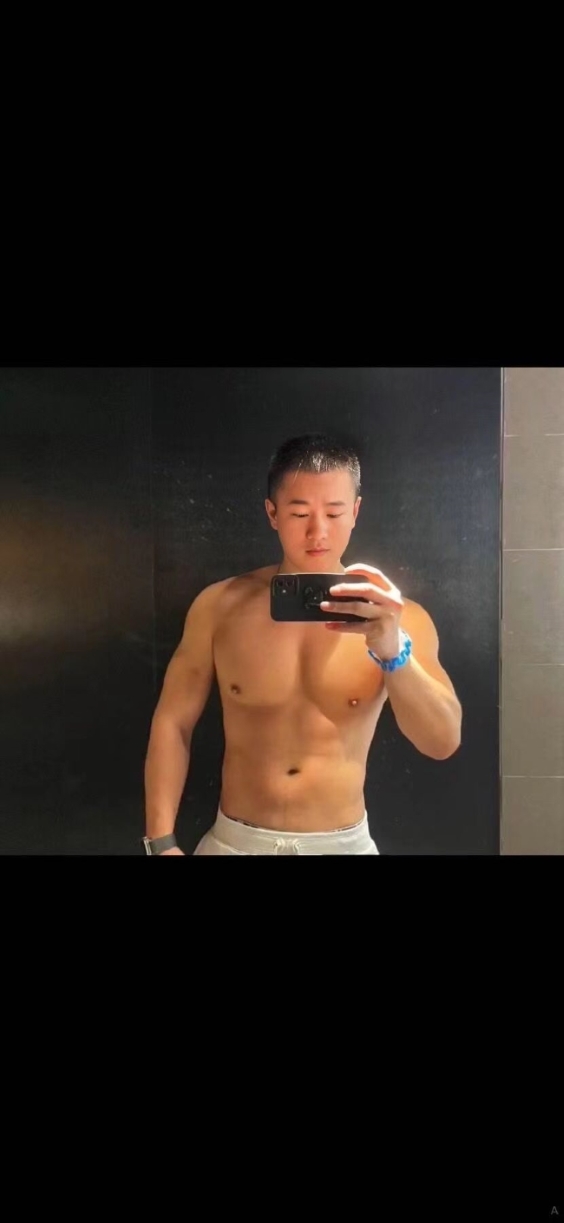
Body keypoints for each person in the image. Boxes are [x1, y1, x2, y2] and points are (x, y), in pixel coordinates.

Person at [143, 434, 462, 855]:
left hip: (342, 845)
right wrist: (161, 842)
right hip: (235, 843)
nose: (318, 532)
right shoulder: (219, 606)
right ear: (272, 513)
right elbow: (173, 721)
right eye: (299, 513)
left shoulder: (398, 618)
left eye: (334, 513)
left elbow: (442, 742)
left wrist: (392, 649)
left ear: (355, 512)